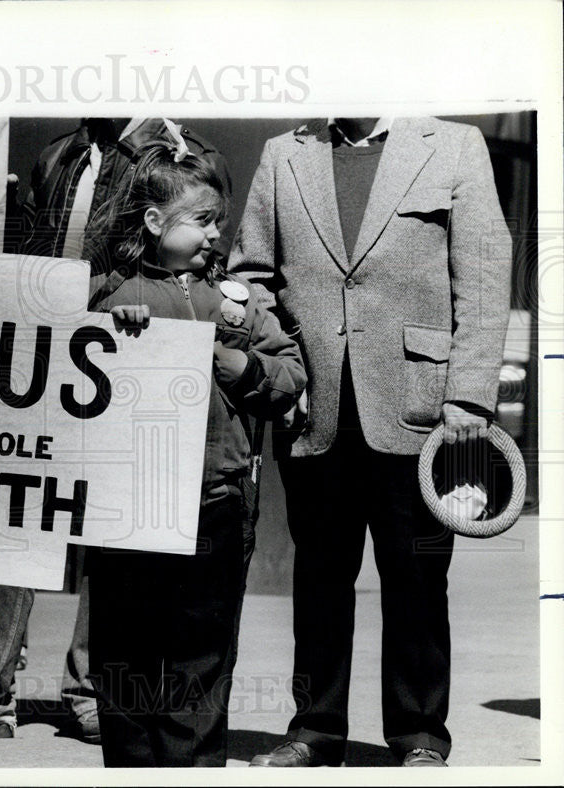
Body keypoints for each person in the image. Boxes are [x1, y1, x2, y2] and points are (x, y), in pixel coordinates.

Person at [0, 118, 234, 744]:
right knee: (16, 511)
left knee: (112, 531)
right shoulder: (59, 154)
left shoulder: (183, 154)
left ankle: (90, 695)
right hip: (45, 352)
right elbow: (26, 248)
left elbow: (204, 258)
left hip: (126, 360)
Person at [227, 117, 511, 767]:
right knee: (320, 576)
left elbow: (485, 277)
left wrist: (468, 393)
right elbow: (252, 279)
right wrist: (278, 370)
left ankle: (419, 737)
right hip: (312, 406)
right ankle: (315, 729)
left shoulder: (455, 146)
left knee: (417, 579)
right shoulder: (284, 154)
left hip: (425, 410)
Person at [85, 141, 307, 766]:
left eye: (219, 220)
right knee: (125, 655)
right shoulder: (108, 292)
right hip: (127, 511)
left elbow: (290, 371)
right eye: (202, 219)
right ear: (155, 223)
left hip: (216, 502)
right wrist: (105, 322)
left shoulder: (237, 300)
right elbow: (58, 364)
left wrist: (244, 367)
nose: (217, 233)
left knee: (202, 656)